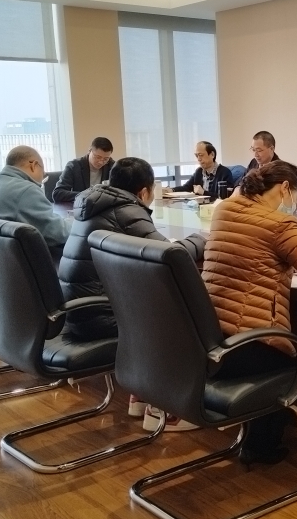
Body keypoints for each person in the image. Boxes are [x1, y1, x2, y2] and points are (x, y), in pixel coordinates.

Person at [202, 161, 297, 465]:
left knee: (284, 353)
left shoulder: (223, 211)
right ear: (285, 188)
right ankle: (261, 446)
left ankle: (255, 437)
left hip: (211, 338)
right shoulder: (280, 224)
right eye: (295, 193)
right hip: (249, 343)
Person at [59, 156, 207, 430]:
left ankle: (141, 396)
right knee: (182, 315)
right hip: (100, 317)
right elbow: (170, 255)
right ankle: (167, 410)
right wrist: (201, 238)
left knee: (148, 298)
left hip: (78, 311)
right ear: (144, 191)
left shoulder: (93, 205)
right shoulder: (126, 210)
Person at [0, 146, 70, 301]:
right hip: (13, 288)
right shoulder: (25, 189)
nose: (42, 177)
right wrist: (77, 222)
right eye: (43, 171)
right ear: (34, 165)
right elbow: (59, 233)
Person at [52, 137, 114, 204]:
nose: (101, 162)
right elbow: (57, 193)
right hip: (81, 207)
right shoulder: (74, 166)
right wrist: (87, 195)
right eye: (98, 157)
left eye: (106, 159)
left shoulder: (112, 166)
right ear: (89, 151)